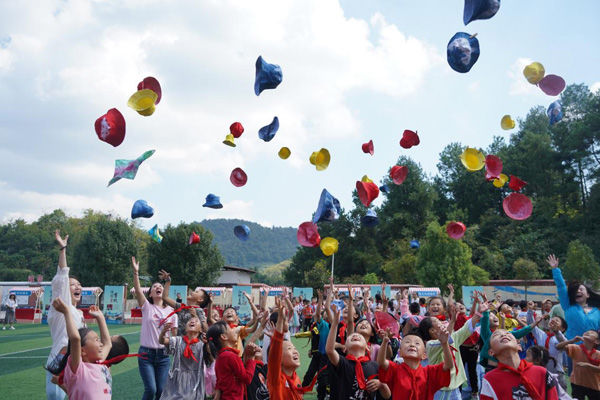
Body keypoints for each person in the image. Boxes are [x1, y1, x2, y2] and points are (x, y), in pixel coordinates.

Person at [131, 256, 178, 400]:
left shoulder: (171, 311)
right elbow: (138, 290)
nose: (158, 287)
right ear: (150, 293)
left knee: (161, 391)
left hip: (163, 356)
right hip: (146, 354)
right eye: (154, 287)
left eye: (160, 287)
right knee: (151, 389)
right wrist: (136, 272)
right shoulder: (147, 307)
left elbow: (174, 337)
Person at [46, 230, 85, 400]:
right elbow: (62, 277)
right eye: (73, 285)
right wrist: (63, 250)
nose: (77, 287)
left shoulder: (80, 313)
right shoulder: (60, 307)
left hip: (77, 364)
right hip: (60, 361)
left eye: (79, 285)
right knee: (57, 397)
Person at [50, 298, 113, 399]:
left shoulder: (99, 364)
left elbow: (108, 343)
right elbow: (75, 339)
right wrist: (67, 312)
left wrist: (100, 317)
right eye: (96, 340)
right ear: (82, 351)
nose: (101, 344)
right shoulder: (79, 369)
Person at [325, 305, 390, 400]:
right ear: (345, 348)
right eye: (351, 337)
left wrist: (381, 384)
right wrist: (335, 323)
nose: (355, 336)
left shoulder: (375, 366)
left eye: (359, 337)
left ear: (367, 347)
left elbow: (387, 395)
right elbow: (330, 350)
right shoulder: (342, 363)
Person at [377, 325, 452, 400]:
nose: (412, 345)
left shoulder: (429, 372)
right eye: (407, 342)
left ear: (424, 355)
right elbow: (381, 362)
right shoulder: (395, 369)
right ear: (400, 353)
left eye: (417, 343)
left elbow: (448, 365)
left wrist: (445, 344)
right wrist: (385, 341)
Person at [480, 329, 558, 400]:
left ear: (519, 346)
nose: (503, 335)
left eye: (508, 333)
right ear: (491, 352)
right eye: (496, 335)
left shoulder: (542, 372)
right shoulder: (489, 380)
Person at [548, 254, 600, 339]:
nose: (578, 291)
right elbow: (561, 287)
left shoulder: (597, 312)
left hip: (591, 350)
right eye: (576, 290)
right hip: (572, 348)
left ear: (588, 294)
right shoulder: (568, 306)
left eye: (581, 289)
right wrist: (555, 269)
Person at [207, 320, 258, 400]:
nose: (235, 331)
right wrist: (251, 359)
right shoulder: (230, 356)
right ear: (224, 337)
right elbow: (247, 378)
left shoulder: (221, 357)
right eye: (231, 329)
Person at [158, 316, 205, 400]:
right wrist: (163, 331)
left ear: (201, 330)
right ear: (185, 328)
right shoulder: (178, 341)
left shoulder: (203, 345)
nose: (192, 321)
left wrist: (208, 343)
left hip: (195, 380)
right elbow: (162, 341)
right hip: (177, 379)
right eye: (190, 320)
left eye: (196, 321)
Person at [556, 329, 600, 399]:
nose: (588, 332)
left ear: (597, 341)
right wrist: (572, 340)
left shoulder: (598, 354)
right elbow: (558, 347)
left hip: (593, 385)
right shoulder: (576, 348)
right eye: (586, 332)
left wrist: (588, 365)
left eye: (592, 333)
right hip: (577, 384)